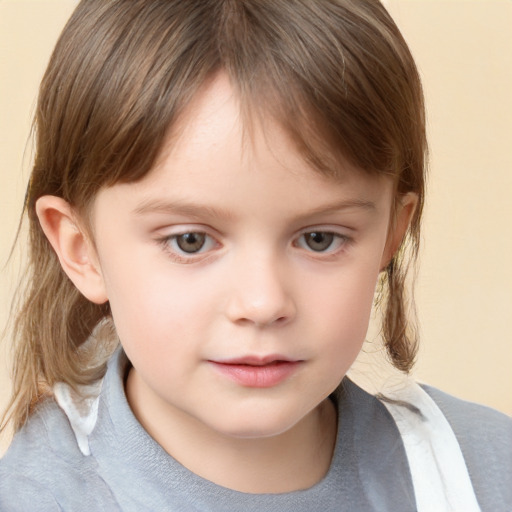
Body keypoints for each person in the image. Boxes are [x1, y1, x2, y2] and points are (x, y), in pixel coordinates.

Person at [0, 0, 510, 510]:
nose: (263, 303)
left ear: (390, 235)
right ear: (81, 249)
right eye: (190, 241)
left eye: (319, 239)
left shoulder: (483, 472)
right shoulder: (33, 496)